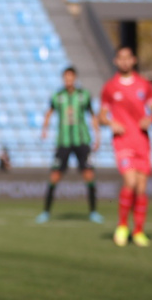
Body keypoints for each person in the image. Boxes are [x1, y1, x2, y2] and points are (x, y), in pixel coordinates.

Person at [98, 46, 152, 247]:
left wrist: (150, 119)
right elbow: (102, 116)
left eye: (128, 58)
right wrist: (111, 123)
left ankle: (139, 230)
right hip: (122, 141)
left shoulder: (145, 85)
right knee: (130, 182)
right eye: (120, 58)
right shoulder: (110, 87)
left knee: (141, 188)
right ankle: (123, 225)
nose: (124, 61)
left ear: (133, 60)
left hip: (142, 140)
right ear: (116, 61)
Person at [36, 66, 102, 224]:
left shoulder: (84, 95)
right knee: (54, 176)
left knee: (89, 175)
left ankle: (93, 212)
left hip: (82, 141)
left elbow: (93, 116)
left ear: (75, 78)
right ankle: (46, 212)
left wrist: (97, 136)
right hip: (63, 142)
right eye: (66, 78)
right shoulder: (57, 96)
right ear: (63, 79)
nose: (68, 80)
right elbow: (49, 112)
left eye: (71, 77)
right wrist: (44, 129)